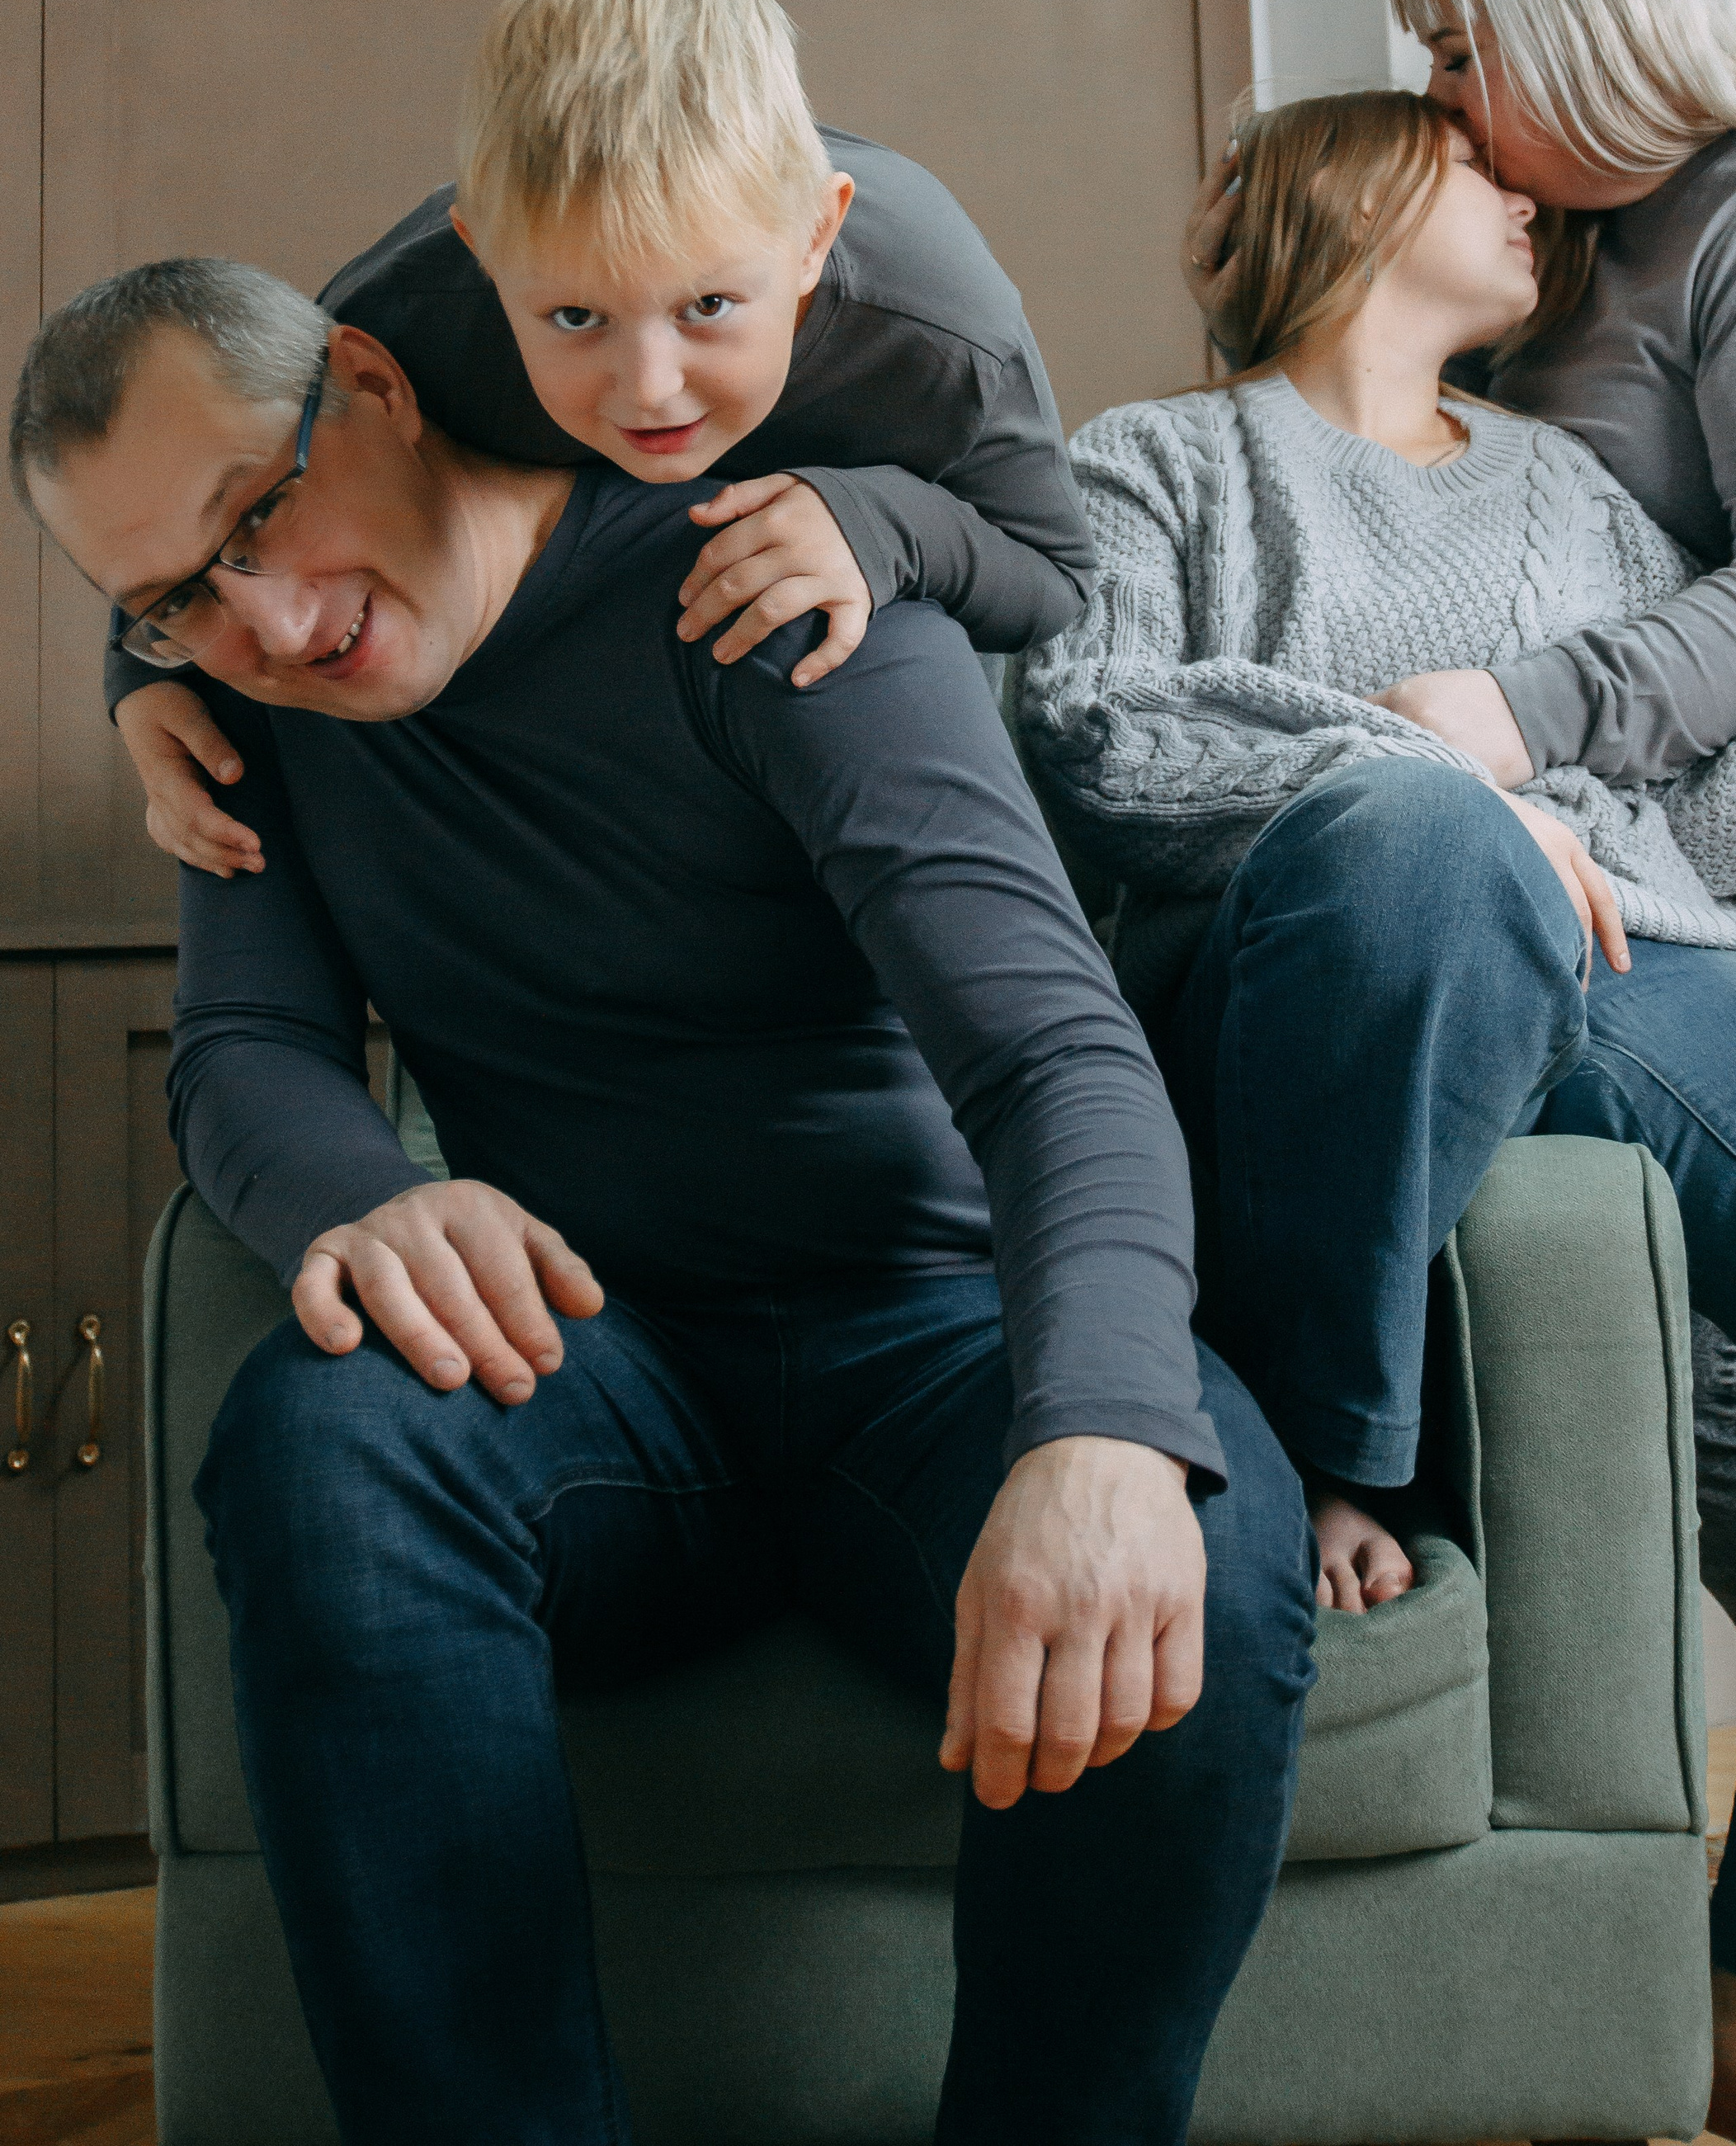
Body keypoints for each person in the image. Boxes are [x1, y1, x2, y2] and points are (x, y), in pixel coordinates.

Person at [11, 248, 1318, 2146]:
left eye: (260, 514)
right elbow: (246, 1050)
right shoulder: (243, 708)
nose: (273, 617)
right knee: (323, 1437)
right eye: (175, 601)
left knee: (1210, 1539)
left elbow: (1049, 1054)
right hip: (605, 1371)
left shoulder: (758, 585)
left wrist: (1107, 1421)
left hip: (932, 1332)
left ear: (371, 384)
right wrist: (361, 1199)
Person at [1019, 88, 1736, 2146]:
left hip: (1635, 958)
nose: (1525, 188)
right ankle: (1338, 1461)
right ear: (1338, 194)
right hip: (1326, 962)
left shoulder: (1568, 496)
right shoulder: (1147, 464)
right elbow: (1093, 734)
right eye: (1469, 164)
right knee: (1429, 856)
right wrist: (1457, 796)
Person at [102, 0, 1094, 877]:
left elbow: (1054, 582)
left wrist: (879, 522)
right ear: (485, 258)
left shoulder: (942, 330)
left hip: (870, 749)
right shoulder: (400, 325)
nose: (649, 386)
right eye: (576, 315)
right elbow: (209, 495)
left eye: (708, 306)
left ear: (813, 236)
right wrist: (140, 681)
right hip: (567, 779)